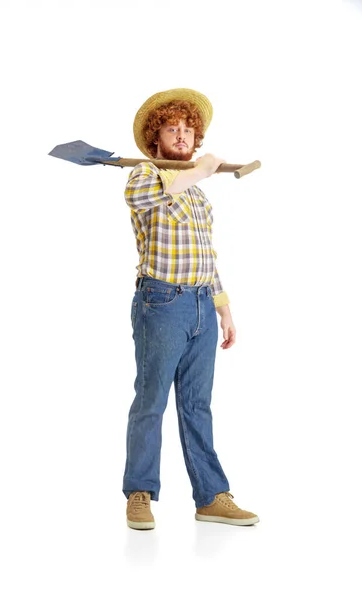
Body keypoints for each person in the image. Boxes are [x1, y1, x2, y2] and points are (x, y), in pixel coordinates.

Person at [122, 88, 259, 530]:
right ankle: (139, 494)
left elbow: (206, 254)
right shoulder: (144, 176)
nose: (181, 135)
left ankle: (211, 496)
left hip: (201, 302)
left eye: (187, 129)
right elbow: (168, 187)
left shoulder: (199, 196)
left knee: (198, 405)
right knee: (151, 401)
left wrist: (224, 307)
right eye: (171, 128)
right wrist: (202, 169)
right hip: (162, 304)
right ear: (155, 137)